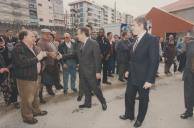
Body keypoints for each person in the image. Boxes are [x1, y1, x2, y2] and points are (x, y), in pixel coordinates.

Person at [120, 16, 160, 128]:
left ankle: (139, 119)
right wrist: (128, 70)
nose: (131, 28)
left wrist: (150, 80)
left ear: (141, 25)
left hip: (144, 78)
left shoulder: (152, 40)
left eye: (133, 25)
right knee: (128, 96)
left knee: (143, 100)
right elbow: (132, 59)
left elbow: (154, 61)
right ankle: (129, 114)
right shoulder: (135, 39)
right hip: (132, 75)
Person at [12, 30, 48, 125]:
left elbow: (35, 60)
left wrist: (42, 56)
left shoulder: (32, 47)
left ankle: (36, 111)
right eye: (32, 36)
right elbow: (21, 63)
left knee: (35, 96)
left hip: (35, 76)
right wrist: (38, 58)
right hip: (25, 78)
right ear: (24, 37)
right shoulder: (18, 48)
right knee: (26, 99)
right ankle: (27, 117)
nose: (35, 38)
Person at [77, 27, 107, 111]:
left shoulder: (93, 43)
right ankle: (87, 103)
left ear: (83, 34)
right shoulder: (80, 44)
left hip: (91, 72)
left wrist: (98, 72)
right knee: (86, 88)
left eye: (78, 34)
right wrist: (62, 56)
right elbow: (75, 54)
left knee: (95, 89)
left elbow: (98, 59)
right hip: (82, 71)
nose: (77, 36)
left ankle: (103, 101)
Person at [37, 29, 62, 96]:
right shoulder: (41, 42)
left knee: (52, 77)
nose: (48, 35)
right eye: (46, 34)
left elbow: (55, 49)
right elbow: (41, 53)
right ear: (42, 34)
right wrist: (50, 54)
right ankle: (48, 91)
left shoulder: (49, 41)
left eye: (49, 34)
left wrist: (57, 54)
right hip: (47, 63)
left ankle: (51, 89)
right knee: (48, 78)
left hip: (53, 62)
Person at [180, 34, 194, 119]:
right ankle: (189, 111)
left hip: (190, 73)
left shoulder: (190, 45)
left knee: (189, 93)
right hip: (190, 72)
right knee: (189, 93)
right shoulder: (189, 45)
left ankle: (189, 111)